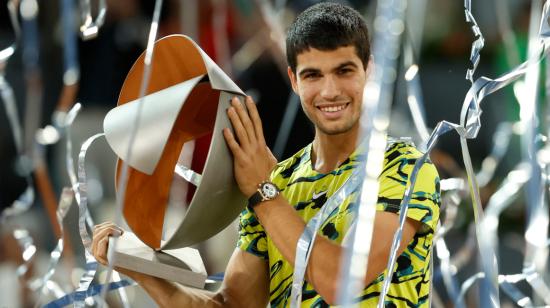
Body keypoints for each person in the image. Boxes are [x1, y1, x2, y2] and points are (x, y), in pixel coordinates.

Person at [92, 2, 440, 307]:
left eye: (344, 71)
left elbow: (340, 284)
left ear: (370, 70)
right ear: (293, 80)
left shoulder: (405, 167)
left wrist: (263, 190)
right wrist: (142, 270)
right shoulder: (274, 181)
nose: (330, 90)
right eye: (313, 75)